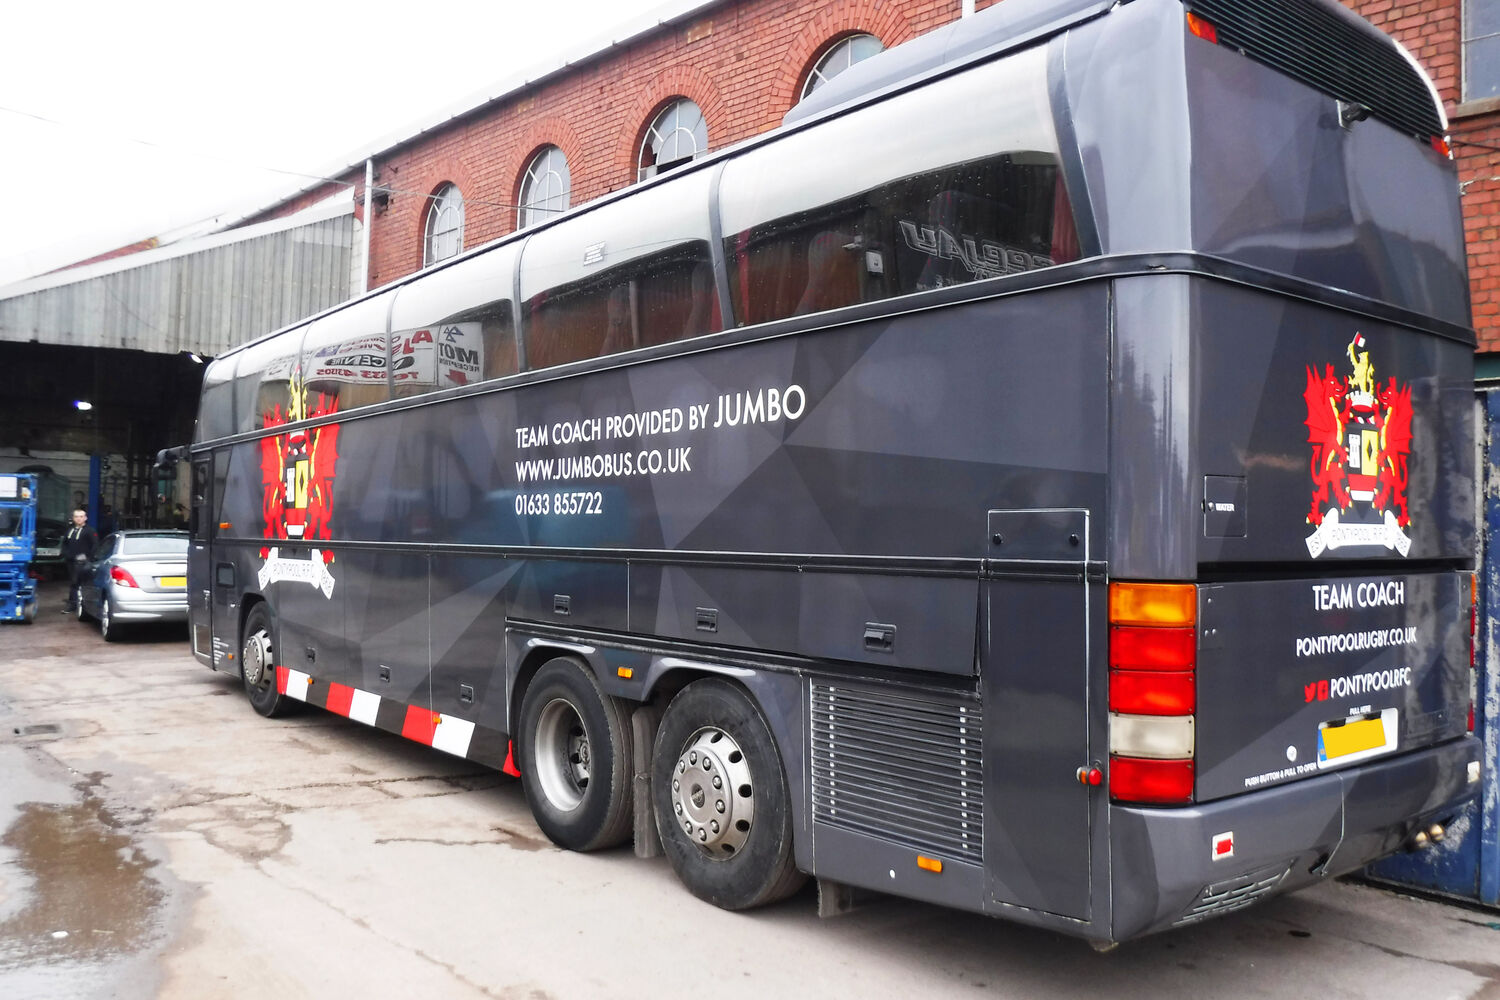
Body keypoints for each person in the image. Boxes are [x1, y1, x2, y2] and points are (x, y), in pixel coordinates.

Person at [59, 508, 98, 614]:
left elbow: (95, 545)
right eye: (76, 516)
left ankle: (79, 605)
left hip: (83, 562)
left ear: (85, 518)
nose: (79, 519)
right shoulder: (70, 530)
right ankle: (74, 603)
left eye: (81, 516)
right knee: (73, 582)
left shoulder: (90, 530)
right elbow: (65, 543)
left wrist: (88, 558)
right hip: (70, 561)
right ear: (73, 518)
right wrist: (65, 554)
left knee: (79, 582)